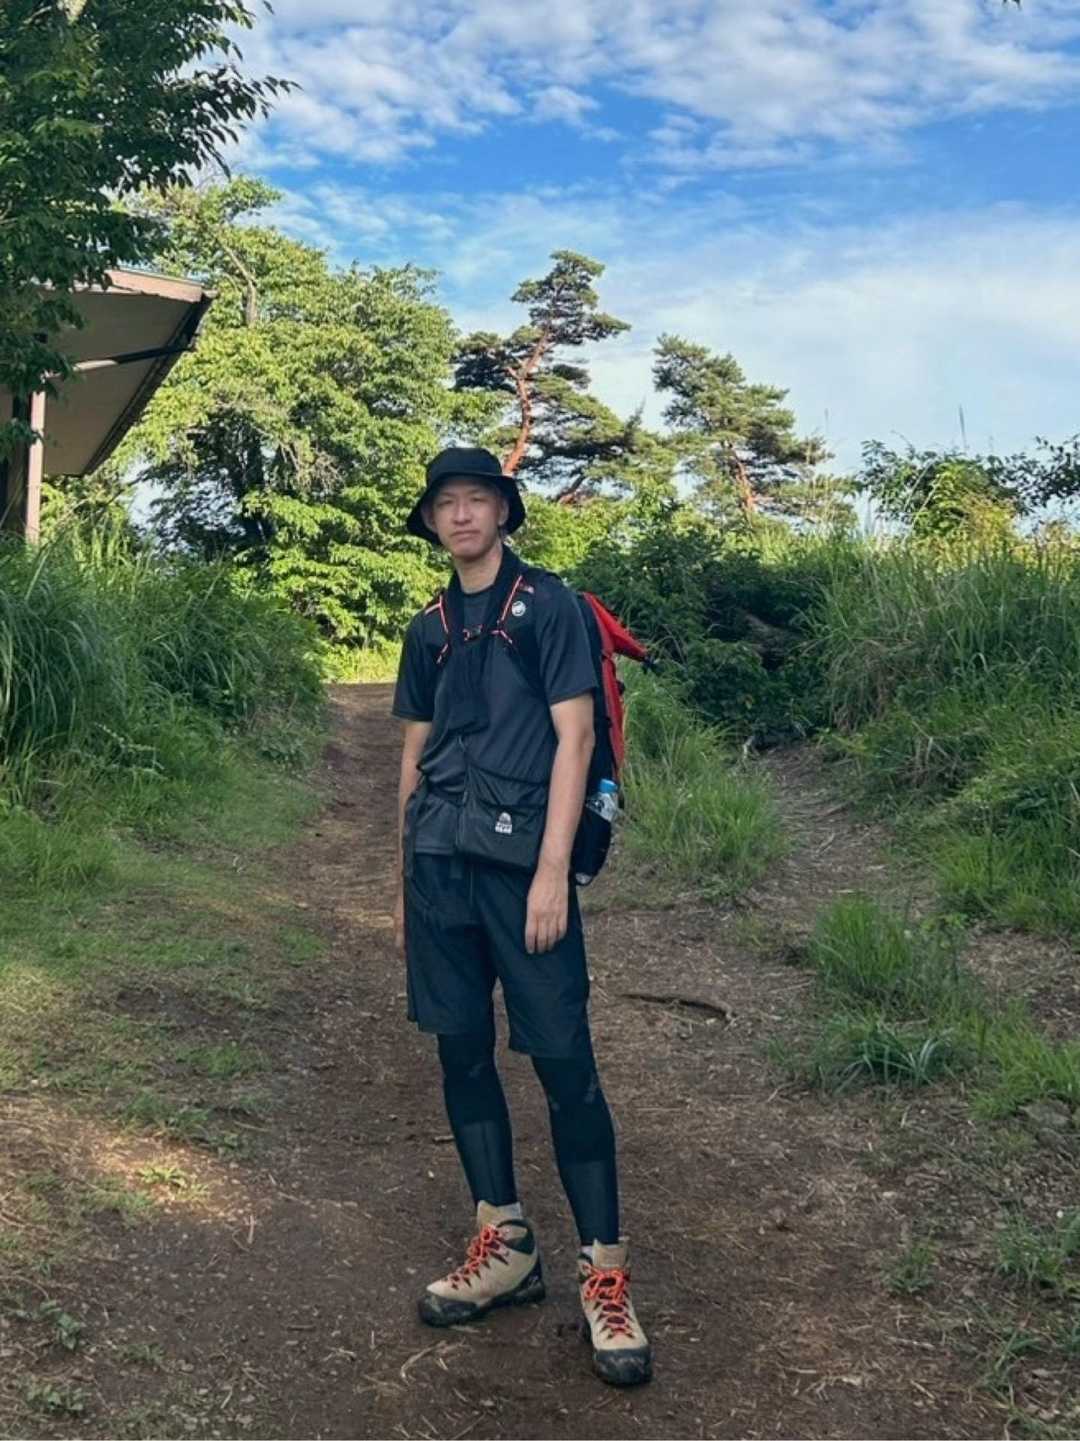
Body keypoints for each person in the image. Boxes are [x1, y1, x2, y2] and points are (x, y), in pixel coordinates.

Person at [391, 446, 652, 1387]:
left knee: (563, 1061)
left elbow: (575, 737)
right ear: (432, 521)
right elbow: (414, 757)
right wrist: (403, 883)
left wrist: (552, 873)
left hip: (521, 871)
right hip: (439, 868)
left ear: (503, 511)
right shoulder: (426, 628)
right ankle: (503, 1241)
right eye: (446, 503)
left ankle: (604, 1273)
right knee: (461, 1051)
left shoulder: (550, 607)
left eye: (478, 499)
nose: (462, 514)